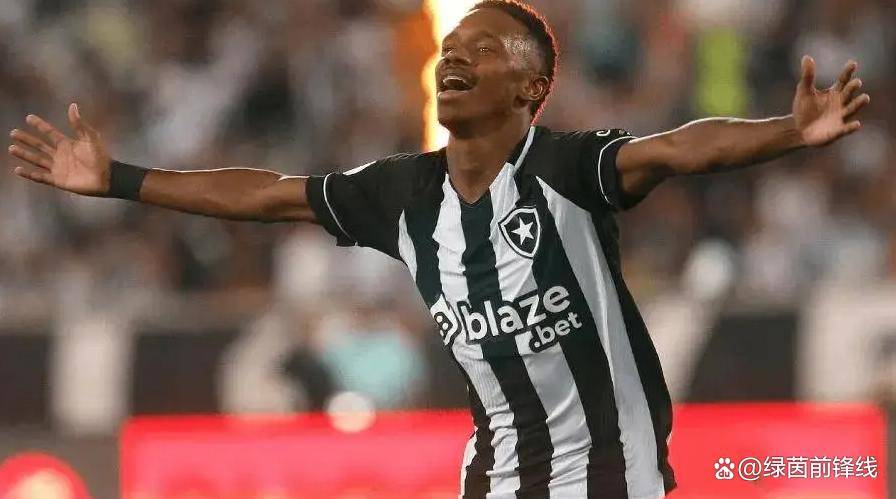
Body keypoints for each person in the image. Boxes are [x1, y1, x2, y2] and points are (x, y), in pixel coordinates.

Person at [6, 1, 870, 497]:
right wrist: (118, 178)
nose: (455, 58)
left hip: (614, 477)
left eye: (483, 50)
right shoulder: (403, 194)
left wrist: (786, 132)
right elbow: (267, 194)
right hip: (492, 479)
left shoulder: (568, 169)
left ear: (532, 86)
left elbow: (680, 148)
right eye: (451, 49)